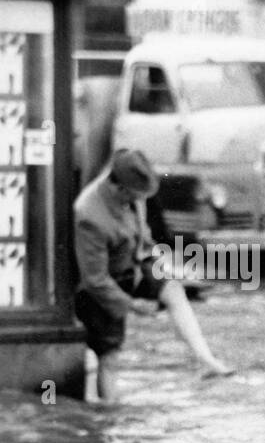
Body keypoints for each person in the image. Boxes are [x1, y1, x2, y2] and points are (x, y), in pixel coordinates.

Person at [74, 149, 233, 403]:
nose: (141, 201)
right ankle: (109, 411)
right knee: (109, 354)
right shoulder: (89, 215)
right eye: (137, 196)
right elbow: (95, 279)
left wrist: (168, 266)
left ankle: (206, 360)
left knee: (173, 289)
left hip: (134, 264)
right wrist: (133, 306)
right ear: (120, 190)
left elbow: (144, 238)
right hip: (101, 288)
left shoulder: (133, 196)